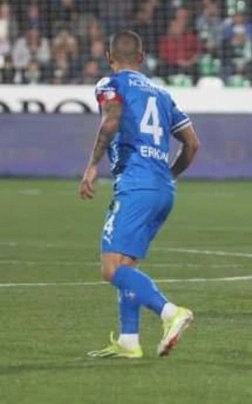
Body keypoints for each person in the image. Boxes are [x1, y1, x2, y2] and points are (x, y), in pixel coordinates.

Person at [79, 30, 201, 358]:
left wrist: (92, 165)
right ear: (142, 58)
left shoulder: (110, 83)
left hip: (135, 184)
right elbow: (192, 143)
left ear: (109, 57)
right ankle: (129, 341)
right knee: (126, 267)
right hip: (162, 189)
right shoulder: (162, 95)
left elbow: (111, 121)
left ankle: (170, 312)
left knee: (110, 269)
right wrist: (167, 175)